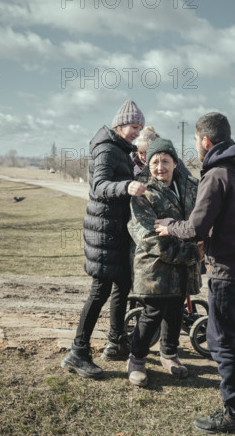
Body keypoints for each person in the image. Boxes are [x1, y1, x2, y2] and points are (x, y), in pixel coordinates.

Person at [154, 112, 235, 434]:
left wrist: (168, 226)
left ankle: (233, 415)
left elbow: (195, 227)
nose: (196, 148)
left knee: (219, 341)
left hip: (227, 272)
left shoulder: (217, 174)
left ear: (205, 141)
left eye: (195, 143)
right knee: (227, 327)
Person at [61, 100, 147, 379]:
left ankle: (116, 341)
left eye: (140, 128)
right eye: (134, 127)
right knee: (100, 290)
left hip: (116, 230)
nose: (137, 132)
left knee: (122, 284)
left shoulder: (121, 149)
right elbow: (99, 185)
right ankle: (77, 352)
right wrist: (127, 186)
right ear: (120, 124)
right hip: (103, 231)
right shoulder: (107, 148)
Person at [126, 138, 202, 387]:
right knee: (153, 312)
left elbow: (201, 222)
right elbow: (148, 237)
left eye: (165, 161)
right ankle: (136, 359)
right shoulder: (143, 192)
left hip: (183, 268)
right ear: (148, 164)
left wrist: (202, 245)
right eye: (155, 162)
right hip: (154, 266)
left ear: (175, 162)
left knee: (175, 311)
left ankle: (169, 354)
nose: (160, 167)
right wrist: (192, 253)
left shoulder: (192, 186)